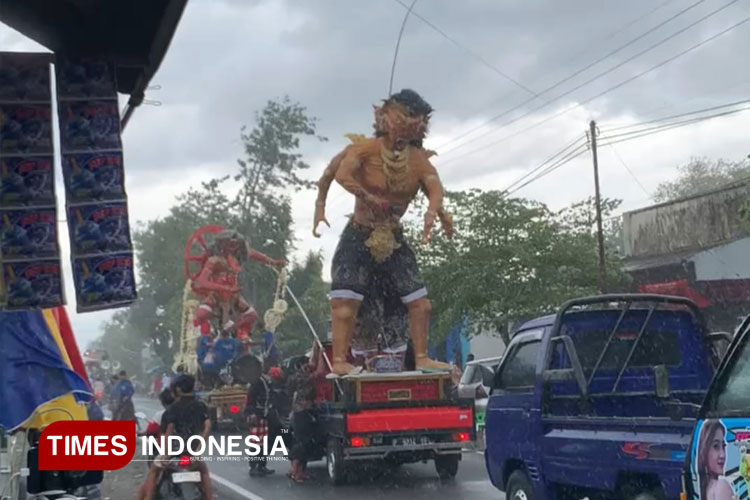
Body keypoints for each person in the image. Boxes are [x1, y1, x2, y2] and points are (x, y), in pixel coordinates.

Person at [312, 89, 454, 375]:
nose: (410, 125)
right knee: (344, 303)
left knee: (420, 303)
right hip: (359, 233)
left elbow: (435, 187)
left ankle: (423, 356)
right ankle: (339, 360)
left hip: (393, 237)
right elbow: (337, 174)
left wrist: (435, 212)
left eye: (417, 120)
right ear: (385, 116)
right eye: (404, 117)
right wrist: (326, 203)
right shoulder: (364, 149)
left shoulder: (417, 159)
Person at [138, 375, 213, 500]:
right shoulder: (200, 406)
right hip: (191, 455)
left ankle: (148, 497)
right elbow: (207, 427)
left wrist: (166, 454)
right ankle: (210, 498)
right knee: (204, 471)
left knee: (154, 471)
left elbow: (169, 432)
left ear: (177, 390)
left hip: (174, 454)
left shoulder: (173, 408)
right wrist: (198, 450)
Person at [246, 367, 283, 476]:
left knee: (264, 442)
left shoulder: (268, 384)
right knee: (255, 442)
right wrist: (251, 413)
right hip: (256, 415)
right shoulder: (257, 382)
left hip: (264, 415)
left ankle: (262, 465)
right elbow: (250, 398)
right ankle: (253, 467)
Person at [698, 419, 734, 500]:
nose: (722, 455)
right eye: (716, 446)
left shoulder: (706, 489)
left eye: (723, 446)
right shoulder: (721, 486)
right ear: (704, 450)